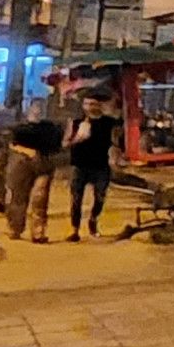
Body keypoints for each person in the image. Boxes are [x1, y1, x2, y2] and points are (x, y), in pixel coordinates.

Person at [3, 110, 65, 241]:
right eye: (34, 109)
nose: (37, 112)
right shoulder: (19, 128)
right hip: (22, 162)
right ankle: (15, 228)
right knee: (18, 196)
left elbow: (57, 147)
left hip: (44, 163)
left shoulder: (52, 128)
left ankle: (38, 232)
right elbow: (11, 144)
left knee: (40, 198)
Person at [67, 94, 120, 240]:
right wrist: (78, 137)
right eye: (87, 104)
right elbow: (66, 143)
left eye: (93, 104)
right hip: (80, 165)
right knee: (76, 199)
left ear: (99, 106)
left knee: (100, 197)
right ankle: (75, 230)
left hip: (101, 165)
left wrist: (115, 157)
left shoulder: (109, 122)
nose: (90, 107)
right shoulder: (76, 122)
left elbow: (115, 142)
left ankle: (93, 219)